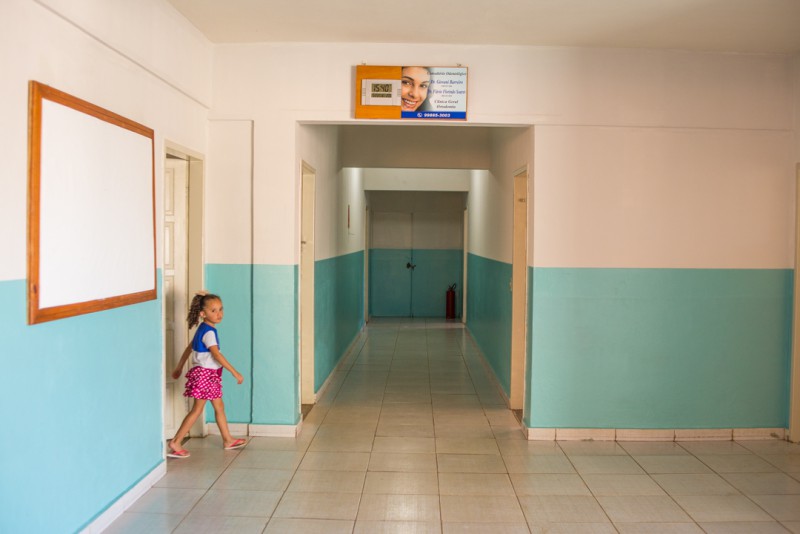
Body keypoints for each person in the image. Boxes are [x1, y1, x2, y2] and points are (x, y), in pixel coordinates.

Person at [167, 292, 246, 458]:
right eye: (213, 310)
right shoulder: (209, 332)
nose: (219, 314)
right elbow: (216, 354)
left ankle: (227, 440)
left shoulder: (202, 328)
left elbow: (189, 348)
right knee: (197, 410)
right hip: (206, 375)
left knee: (219, 407)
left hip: (208, 374)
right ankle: (176, 441)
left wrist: (179, 367)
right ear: (203, 313)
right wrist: (234, 372)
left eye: (221, 309)